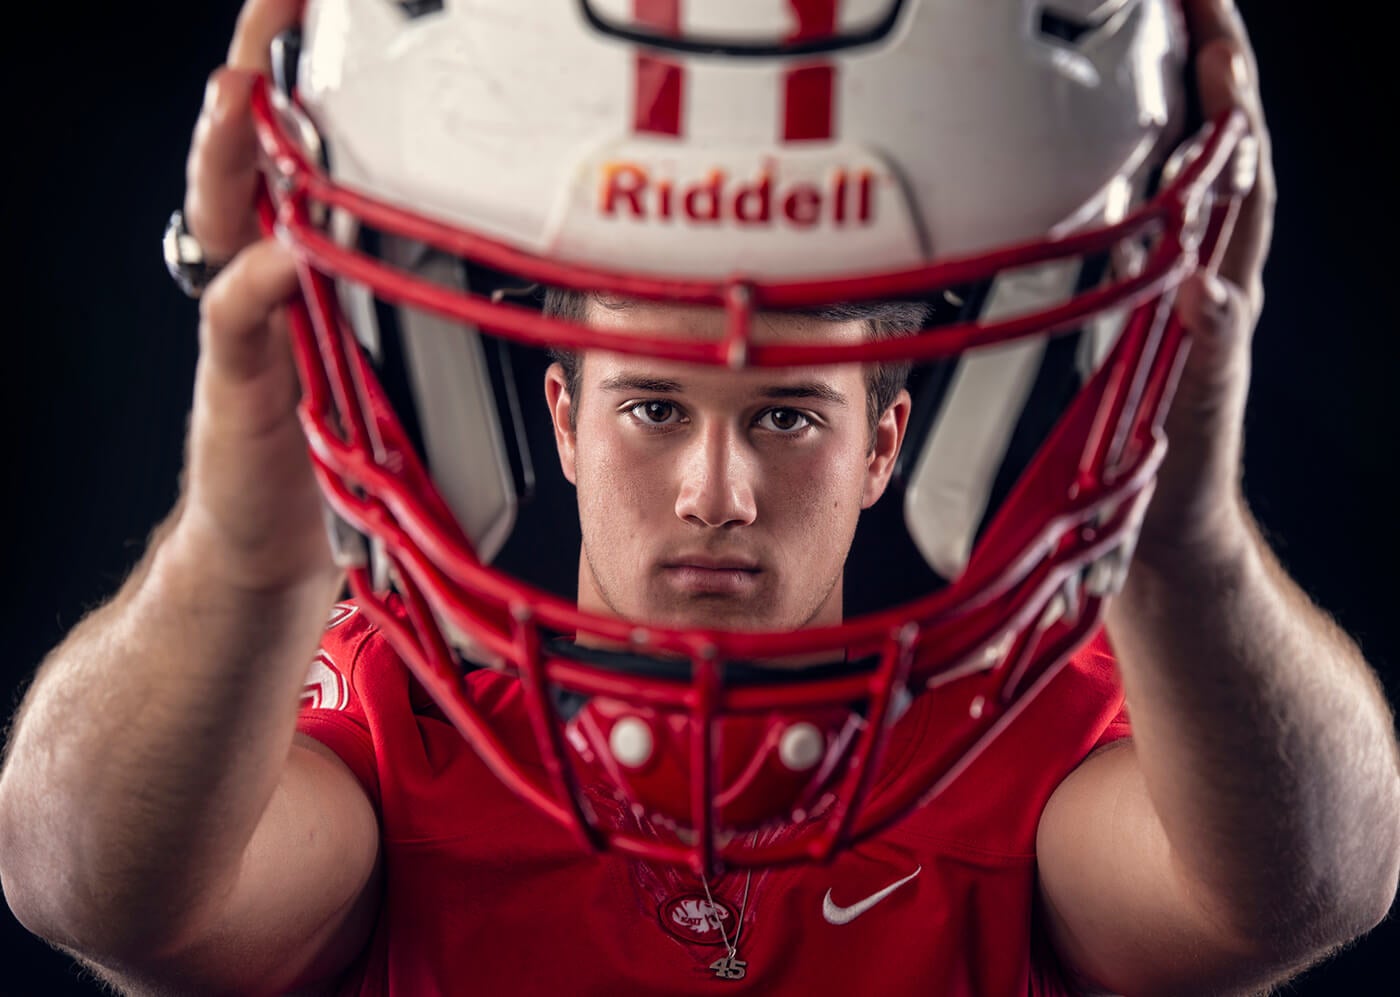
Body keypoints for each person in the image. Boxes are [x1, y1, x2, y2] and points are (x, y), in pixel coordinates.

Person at [1, 0, 1398, 994]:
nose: (717, 491)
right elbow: (87, 883)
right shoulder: (401, 715)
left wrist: (1185, 538)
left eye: (788, 416)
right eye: (654, 407)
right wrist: (243, 560)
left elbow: (1306, 887)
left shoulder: (1025, 730)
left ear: (885, 443)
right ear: (560, 413)